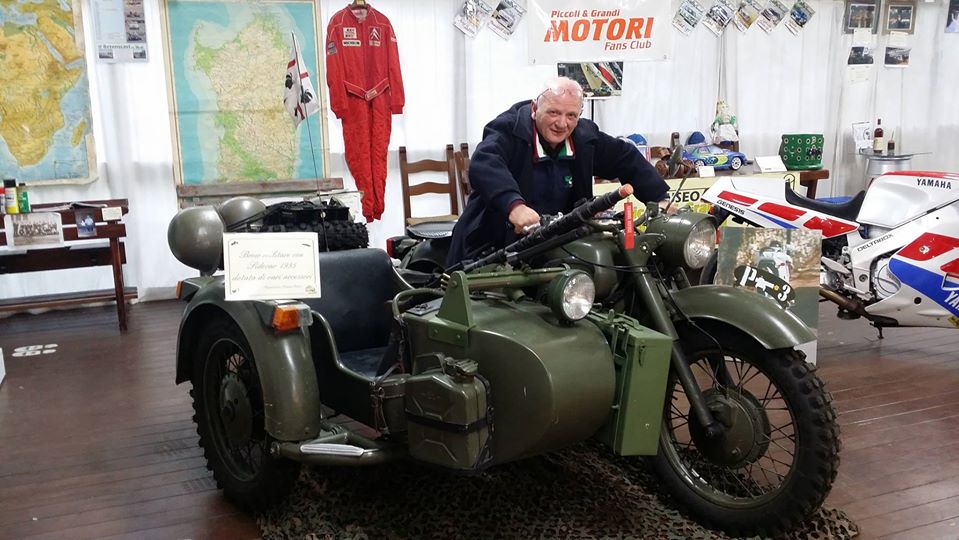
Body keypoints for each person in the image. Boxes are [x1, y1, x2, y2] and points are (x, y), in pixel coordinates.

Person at [447, 77, 669, 265]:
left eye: (571, 115)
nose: (562, 123)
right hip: (492, 245)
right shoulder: (508, 129)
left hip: (556, 246)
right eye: (553, 112)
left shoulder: (584, 138)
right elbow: (484, 163)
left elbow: (624, 157)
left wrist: (659, 198)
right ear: (535, 109)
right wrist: (514, 206)